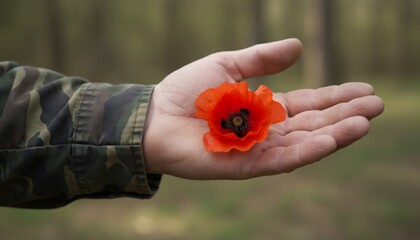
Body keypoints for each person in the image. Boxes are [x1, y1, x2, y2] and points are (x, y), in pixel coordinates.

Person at [0, 39, 384, 208]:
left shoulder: (258, 113)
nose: (237, 119)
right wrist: (150, 119)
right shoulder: (218, 126)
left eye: (240, 118)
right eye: (235, 119)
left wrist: (141, 118)